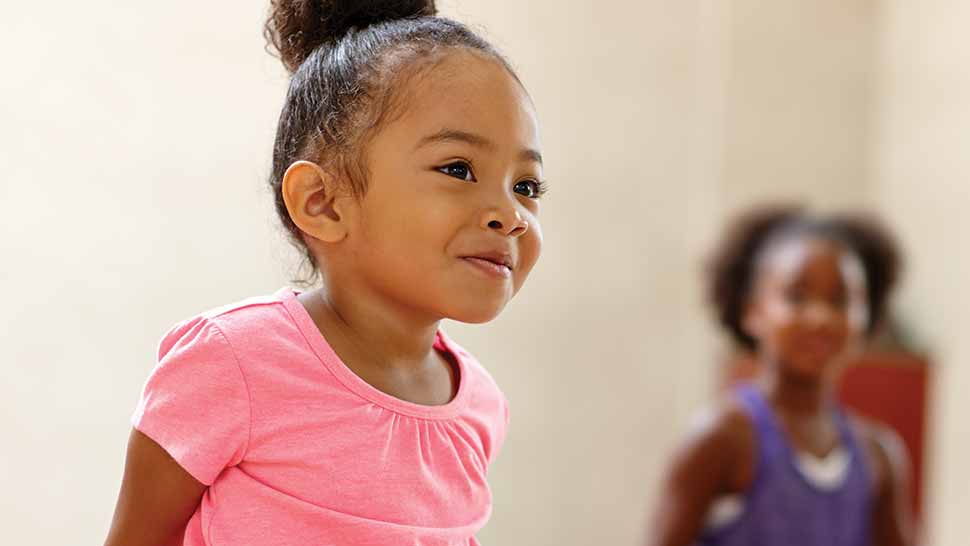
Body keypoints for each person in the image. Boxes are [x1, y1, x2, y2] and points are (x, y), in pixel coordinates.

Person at [104, 1, 547, 544]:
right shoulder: (231, 361)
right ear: (323, 202)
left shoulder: (480, 405)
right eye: (458, 169)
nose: (511, 214)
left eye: (527, 186)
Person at [646, 206, 914, 546]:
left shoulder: (879, 457)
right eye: (797, 297)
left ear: (867, 318)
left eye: (840, 300)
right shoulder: (722, 439)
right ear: (752, 312)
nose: (820, 317)